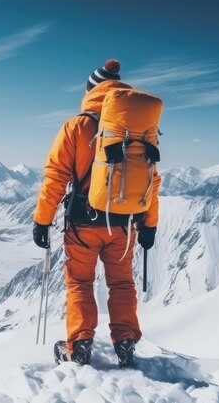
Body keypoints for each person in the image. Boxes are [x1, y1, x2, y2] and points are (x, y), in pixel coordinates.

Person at [32, 59, 161, 368]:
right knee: (121, 284)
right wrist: (150, 224)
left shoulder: (77, 126)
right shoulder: (140, 131)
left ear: (91, 90)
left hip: (82, 224)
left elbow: (56, 177)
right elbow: (152, 179)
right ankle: (126, 342)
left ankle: (78, 347)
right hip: (125, 225)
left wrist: (42, 219)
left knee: (79, 283)